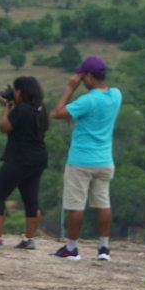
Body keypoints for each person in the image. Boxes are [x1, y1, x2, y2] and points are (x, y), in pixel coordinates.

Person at [52, 56, 122, 261]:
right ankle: (103, 248)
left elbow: (57, 113)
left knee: (76, 205)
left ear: (90, 76)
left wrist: (69, 89)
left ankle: (72, 248)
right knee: (103, 203)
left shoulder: (87, 100)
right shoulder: (116, 95)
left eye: (82, 76)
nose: (80, 80)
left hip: (81, 160)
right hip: (105, 160)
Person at [0, 75, 48, 250]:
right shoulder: (41, 109)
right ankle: (29, 239)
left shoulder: (21, 109)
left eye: (15, 90)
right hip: (38, 158)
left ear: (21, 91)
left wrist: (7, 106)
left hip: (19, 158)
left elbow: (4, 126)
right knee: (31, 199)